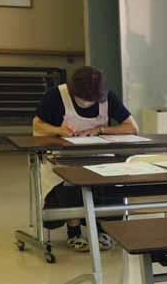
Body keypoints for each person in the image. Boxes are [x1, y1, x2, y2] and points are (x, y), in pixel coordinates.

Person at [32, 66, 137, 252]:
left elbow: (132, 128)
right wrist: (59, 130)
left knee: (112, 185)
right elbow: (37, 126)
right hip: (63, 158)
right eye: (84, 101)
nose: (89, 104)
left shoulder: (107, 97)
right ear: (73, 91)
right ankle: (73, 232)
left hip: (99, 157)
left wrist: (100, 129)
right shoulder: (56, 96)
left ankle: (104, 229)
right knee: (71, 184)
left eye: (93, 101)